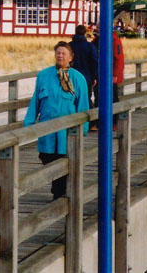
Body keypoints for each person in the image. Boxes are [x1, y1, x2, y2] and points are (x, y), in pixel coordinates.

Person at [23, 41, 89, 198]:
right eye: (58, 53)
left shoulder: (78, 78)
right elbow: (36, 101)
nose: (60, 56)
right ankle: (58, 191)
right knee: (47, 159)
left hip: (67, 131)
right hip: (47, 129)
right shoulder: (44, 75)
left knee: (63, 161)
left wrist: (83, 128)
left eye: (63, 53)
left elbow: (83, 105)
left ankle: (58, 194)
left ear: (71, 57)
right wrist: (29, 123)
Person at [69, 24, 98, 111]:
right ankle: (88, 121)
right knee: (86, 98)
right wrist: (94, 77)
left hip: (71, 77)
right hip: (86, 77)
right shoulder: (89, 46)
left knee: (71, 99)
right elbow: (94, 62)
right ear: (85, 33)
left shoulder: (69, 46)